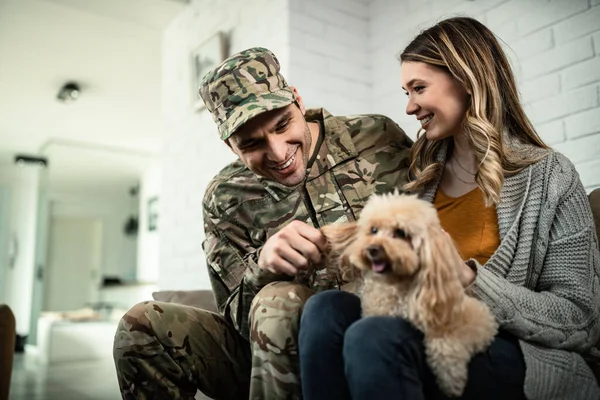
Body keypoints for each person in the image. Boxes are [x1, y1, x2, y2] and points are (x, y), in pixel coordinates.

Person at [299, 17, 600, 400]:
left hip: (523, 357)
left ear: (466, 79)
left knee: (375, 335)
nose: (409, 107)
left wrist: (468, 279)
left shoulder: (549, 176)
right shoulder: (419, 178)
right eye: (405, 92)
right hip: (423, 333)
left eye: (418, 88)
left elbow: (580, 319)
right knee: (326, 310)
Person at [112, 47, 413, 399]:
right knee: (141, 325)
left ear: (298, 101)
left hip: (378, 321)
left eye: (282, 124)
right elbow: (237, 321)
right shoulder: (225, 198)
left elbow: (435, 220)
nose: (278, 152)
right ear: (230, 146)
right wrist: (264, 268)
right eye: (252, 144)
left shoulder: (376, 136)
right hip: (270, 351)